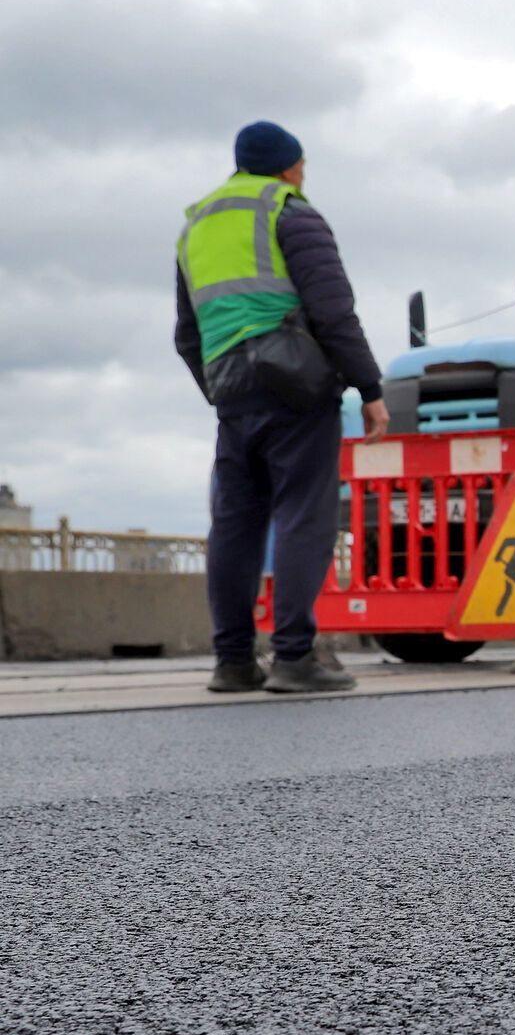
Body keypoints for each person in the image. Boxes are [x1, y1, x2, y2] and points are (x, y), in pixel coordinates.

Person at [174, 121, 388, 694]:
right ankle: (294, 656)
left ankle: (234, 662)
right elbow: (333, 311)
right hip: (294, 382)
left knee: (235, 522)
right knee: (303, 513)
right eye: (302, 165)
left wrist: (220, 388)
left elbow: (186, 333)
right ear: (290, 165)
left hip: (231, 389)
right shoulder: (291, 212)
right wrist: (370, 389)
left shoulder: (197, 225)